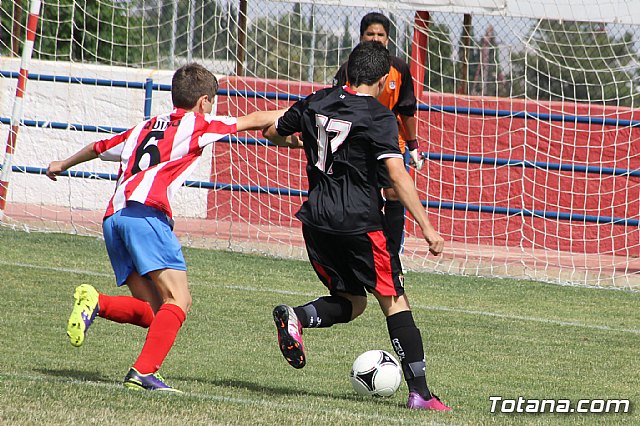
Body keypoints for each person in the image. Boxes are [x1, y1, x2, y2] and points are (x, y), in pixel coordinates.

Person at [46, 62, 283, 392]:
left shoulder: (144, 126)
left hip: (114, 219)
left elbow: (99, 147)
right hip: (146, 217)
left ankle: (96, 302)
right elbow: (254, 120)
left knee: (156, 311)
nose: (212, 108)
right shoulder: (199, 123)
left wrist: (62, 163)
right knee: (179, 299)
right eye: (212, 102)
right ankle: (143, 372)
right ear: (203, 102)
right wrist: (302, 108)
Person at [263, 41, 450, 411]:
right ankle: (421, 395)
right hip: (359, 223)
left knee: (352, 302)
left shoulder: (316, 101)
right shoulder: (379, 116)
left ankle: (297, 317)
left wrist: (305, 143)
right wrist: (428, 228)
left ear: (348, 72)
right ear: (383, 80)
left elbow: (272, 132)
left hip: (316, 221)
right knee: (394, 301)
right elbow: (397, 174)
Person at [334, 11, 423, 265]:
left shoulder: (400, 68)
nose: (375, 38)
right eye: (370, 33)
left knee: (395, 192)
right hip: (357, 142)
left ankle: (393, 255)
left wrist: (414, 145)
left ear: (388, 39)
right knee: (363, 194)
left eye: (380, 34)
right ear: (361, 37)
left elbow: (406, 110)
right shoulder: (348, 69)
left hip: (389, 141)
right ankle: (363, 249)